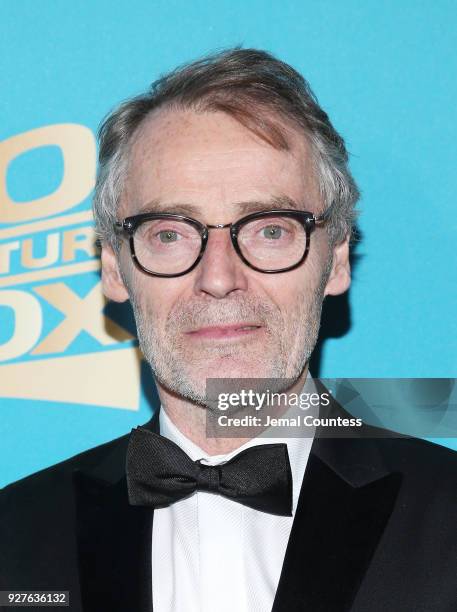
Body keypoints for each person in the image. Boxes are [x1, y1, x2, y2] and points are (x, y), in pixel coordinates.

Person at [1, 48, 457, 612]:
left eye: (270, 230)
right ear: (116, 269)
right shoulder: (12, 538)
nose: (218, 278)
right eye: (170, 233)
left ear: (335, 259)